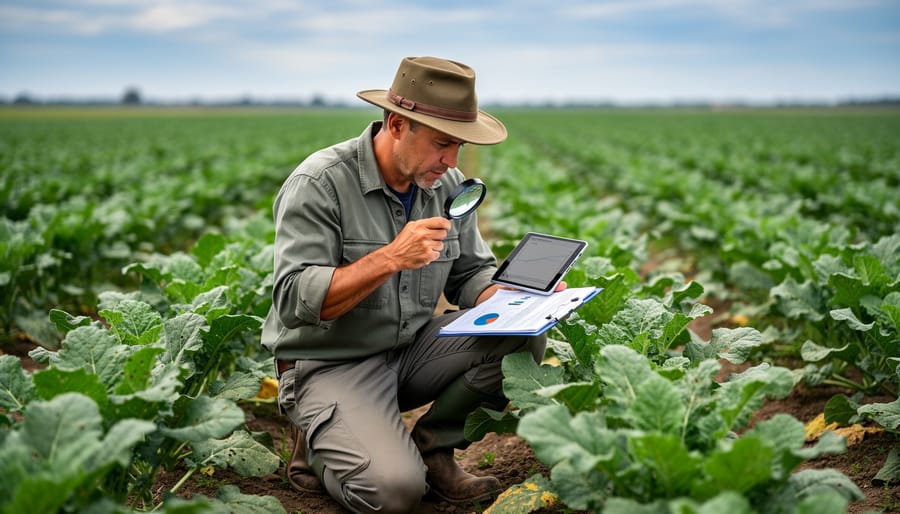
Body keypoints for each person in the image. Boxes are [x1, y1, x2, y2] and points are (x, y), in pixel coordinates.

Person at [261, 56, 549, 514]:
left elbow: (470, 274)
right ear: (397, 124)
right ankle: (317, 445)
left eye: (459, 146)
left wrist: (518, 297)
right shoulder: (319, 183)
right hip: (331, 363)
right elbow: (296, 299)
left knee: (523, 332)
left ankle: (435, 450)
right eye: (442, 144)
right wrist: (390, 257)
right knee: (394, 493)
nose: (452, 161)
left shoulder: (446, 183)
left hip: (409, 350)